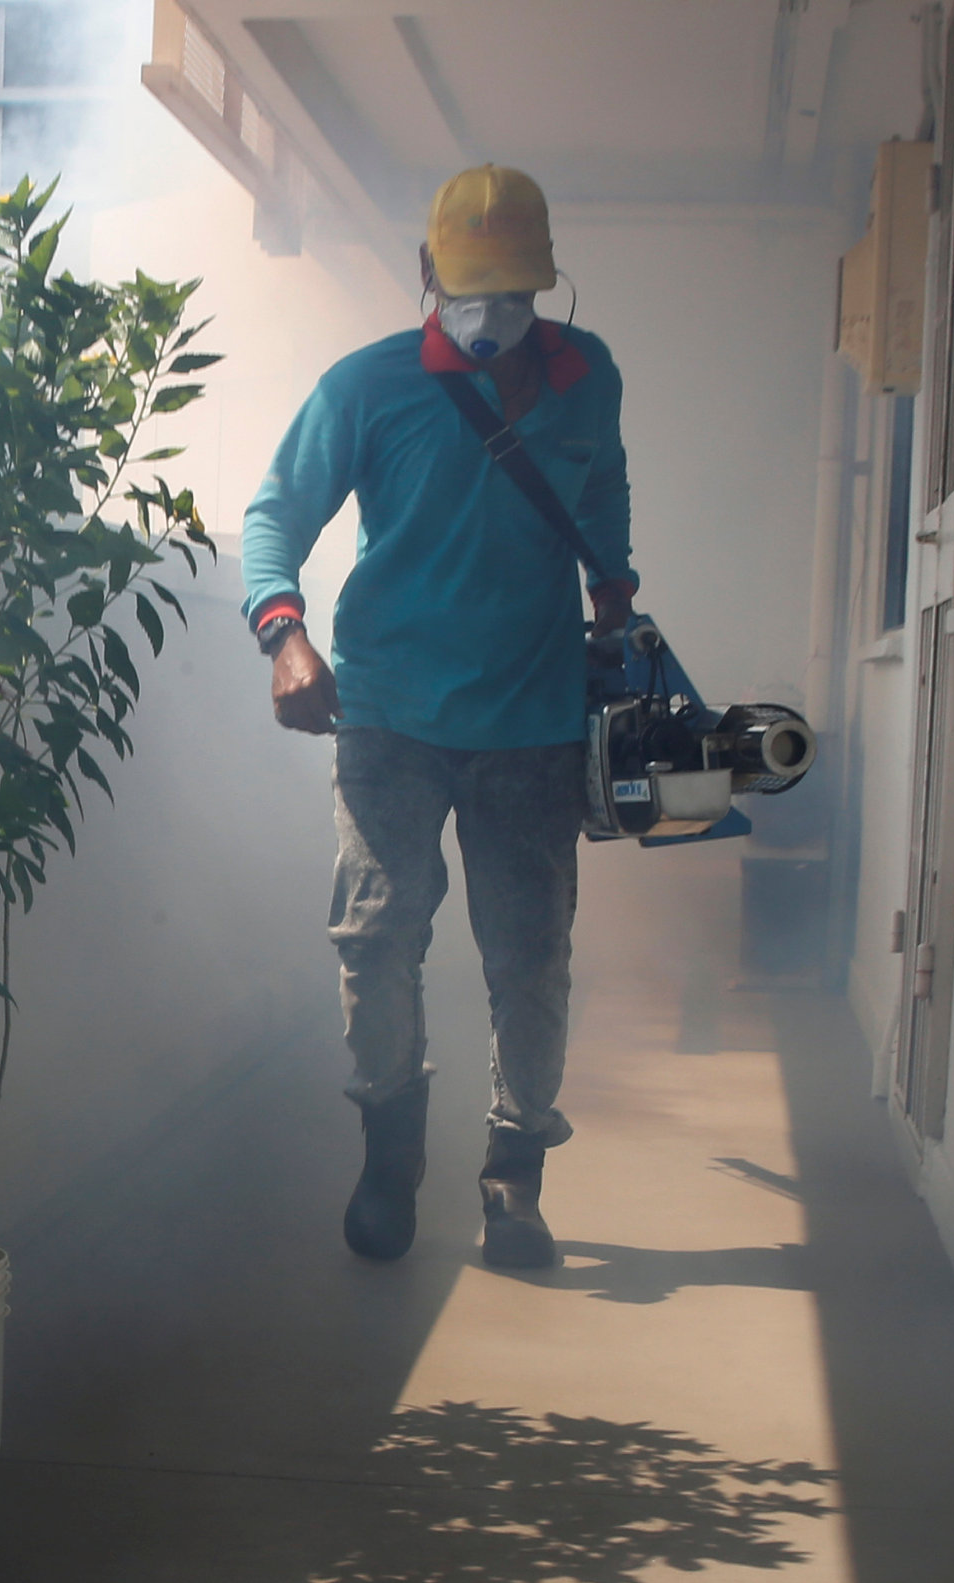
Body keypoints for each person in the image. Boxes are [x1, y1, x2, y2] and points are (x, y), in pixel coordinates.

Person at [238, 164, 637, 1270]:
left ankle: (513, 1179)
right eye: (470, 288)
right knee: (374, 939)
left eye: (515, 290)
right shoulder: (364, 389)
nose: (491, 313)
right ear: (424, 274)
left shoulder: (585, 374)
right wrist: (283, 635)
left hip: (533, 717)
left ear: (544, 285)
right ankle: (388, 1155)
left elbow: (599, 485)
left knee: (528, 958)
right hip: (389, 715)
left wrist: (612, 584)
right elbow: (273, 513)